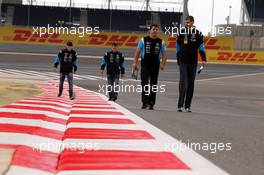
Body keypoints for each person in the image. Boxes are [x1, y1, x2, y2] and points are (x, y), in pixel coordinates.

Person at [132, 24, 167, 110]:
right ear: (150, 31)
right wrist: (134, 63)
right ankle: (144, 103)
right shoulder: (143, 40)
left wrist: (163, 64)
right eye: (153, 29)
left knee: (153, 84)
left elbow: (164, 54)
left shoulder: (161, 41)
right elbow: (137, 52)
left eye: (156, 29)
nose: (155, 31)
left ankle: (151, 103)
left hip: (155, 65)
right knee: (144, 84)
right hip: (145, 65)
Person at [176, 16, 207, 112]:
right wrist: (178, 59)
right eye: (185, 22)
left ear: (193, 22)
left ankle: (187, 106)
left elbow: (201, 48)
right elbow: (178, 47)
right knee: (183, 82)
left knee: (191, 84)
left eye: (188, 22)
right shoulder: (180, 32)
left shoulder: (198, 34)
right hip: (183, 61)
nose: (187, 24)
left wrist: (204, 59)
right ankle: (180, 105)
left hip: (193, 62)